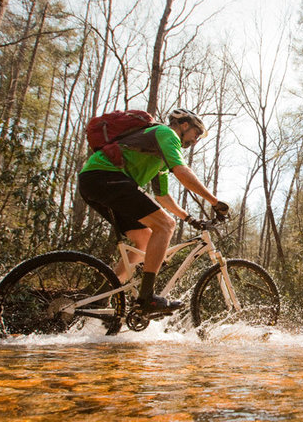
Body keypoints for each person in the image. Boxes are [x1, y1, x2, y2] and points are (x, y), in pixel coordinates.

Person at [78, 108, 229, 313]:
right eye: (196, 134)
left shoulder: (157, 153)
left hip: (95, 181)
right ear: (184, 125)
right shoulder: (166, 134)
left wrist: (189, 218)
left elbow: (162, 197)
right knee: (166, 225)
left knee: (145, 240)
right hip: (106, 177)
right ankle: (147, 298)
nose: (195, 141)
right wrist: (214, 201)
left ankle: (102, 298)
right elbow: (182, 172)